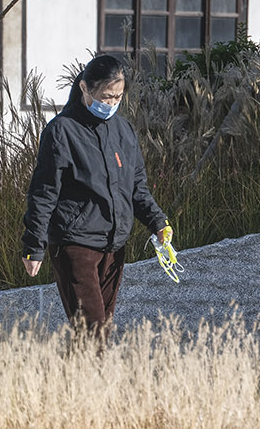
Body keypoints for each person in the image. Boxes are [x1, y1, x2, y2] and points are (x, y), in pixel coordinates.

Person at [21, 53, 170, 340]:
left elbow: (136, 187)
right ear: (85, 88)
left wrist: (158, 222)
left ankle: (68, 385)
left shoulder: (123, 131)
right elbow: (44, 192)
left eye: (117, 97)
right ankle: (94, 385)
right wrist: (33, 245)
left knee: (92, 335)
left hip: (114, 247)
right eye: (106, 96)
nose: (111, 104)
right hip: (75, 245)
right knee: (94, 334)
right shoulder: (61, 131)